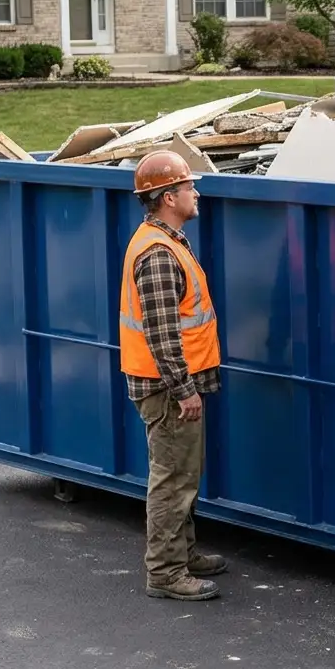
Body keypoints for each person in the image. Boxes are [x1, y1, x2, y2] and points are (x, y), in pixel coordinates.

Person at [118, 150, 227, 601]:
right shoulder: (159, 254)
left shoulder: (166, 239)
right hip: (167, 389)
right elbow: (163, 335)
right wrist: (185, 391)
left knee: (184, 473)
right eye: (188, 187)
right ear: (168, 197)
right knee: (173, 479)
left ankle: (180, 552)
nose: (196, 192)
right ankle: (165, 572)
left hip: (172, 384)